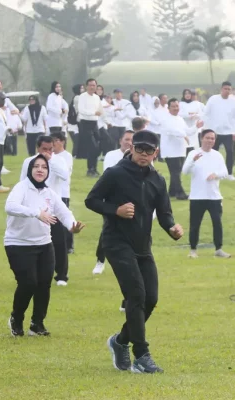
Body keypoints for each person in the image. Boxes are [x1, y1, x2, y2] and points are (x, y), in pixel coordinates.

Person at [86, 130, 184, 373]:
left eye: (148, 151)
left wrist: (172, 227)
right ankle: (141, 355)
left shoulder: (158, 180)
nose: (143, 154)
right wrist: (115, 210)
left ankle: (120, 341)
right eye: (138, 149)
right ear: (131, 149)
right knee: (136, 296)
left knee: (150, 298)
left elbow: (164, 213)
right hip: (116, 242)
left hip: (142, 246)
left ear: (156, 153)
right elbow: (92, 200)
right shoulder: (115, 173)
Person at [5, 154, 84, 337]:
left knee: (44, 284)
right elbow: (10, 206)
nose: (40, 170)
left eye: (44, 167)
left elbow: (64, 212)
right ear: (30, 169)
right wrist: (36, 213)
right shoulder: (22, 187)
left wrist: (72, 226)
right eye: (37, 166)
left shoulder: (49, 192)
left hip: (44, 244)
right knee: (28, 283)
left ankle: (37, 323)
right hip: (18, 243)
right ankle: (16, 318)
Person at [18, 136, 72, 284]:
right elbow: (22, 181)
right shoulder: (29, 162)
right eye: (44, 149)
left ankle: (61, 275)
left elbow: (65, 176)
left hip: (53, 209)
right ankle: (35, 272)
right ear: (38, 148)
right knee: (34, 242)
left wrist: (50, 161)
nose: (48, 152)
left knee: (59, 243)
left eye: (50, 149)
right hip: (34, 210)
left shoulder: (58, 160)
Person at [183, 129, 231, 259]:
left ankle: (218, 249)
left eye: (213, 138)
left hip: (214, 196)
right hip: (197, 196)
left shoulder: (217, 155)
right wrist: (193, 160)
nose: (210, 141)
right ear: (201, 138)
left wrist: (216, 175)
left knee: (217, 222)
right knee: (195, 224)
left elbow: (225, 172)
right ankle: (193, 250)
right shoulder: (194, 153)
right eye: (208, 138)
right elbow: (185, 171)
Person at [93, 130, 134, 276]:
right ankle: (100, 261)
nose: (129, 142)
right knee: (107, 230)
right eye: (126, 139)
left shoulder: (140, 155)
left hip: (133, 199)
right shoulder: (111, 155)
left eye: (132, 140)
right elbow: (108, 175)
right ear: (120, 141)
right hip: (112, 200)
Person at [203, 81, 235, 180]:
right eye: (225, 89)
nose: (227, 91)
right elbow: (206, 114)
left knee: (230, 151)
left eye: (229, 89)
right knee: (212, 152)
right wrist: (207, 129)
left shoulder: (234, 102)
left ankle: (229, 173)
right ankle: (212, 171)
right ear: (221, 89)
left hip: (228, 132)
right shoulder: (213, 99)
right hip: (214, 132)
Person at [50, 132, 74, 254]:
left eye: (55, 140)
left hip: (63, 192)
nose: (53, 143)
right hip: (51, 192)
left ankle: (68, 245)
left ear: (62, 141)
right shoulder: (50, 156)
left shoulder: (66, 156)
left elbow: (64, 174)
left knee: (64, 218)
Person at [78, 79, 104, 177]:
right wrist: (93, 113)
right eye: (90, 85)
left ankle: (94, 168)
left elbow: (100, 110)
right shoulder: (82, 97)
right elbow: (81, 110)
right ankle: (90, 169)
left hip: (95, 123)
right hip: (85, 124)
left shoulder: (97, 97)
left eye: (94, 85)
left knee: (99, 146)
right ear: (86, 86)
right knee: (92, 147)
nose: (92, 87)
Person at [179, 89, 203, 154]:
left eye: (189, 94)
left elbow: (201, 114)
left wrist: (195, 115)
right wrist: (189, 115)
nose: (187, 95)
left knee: (194, 146)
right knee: (185, 146)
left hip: (194, 127)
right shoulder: (180, 104)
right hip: (184, 127)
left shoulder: (196, 104)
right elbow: (179, 114)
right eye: (186, 94)